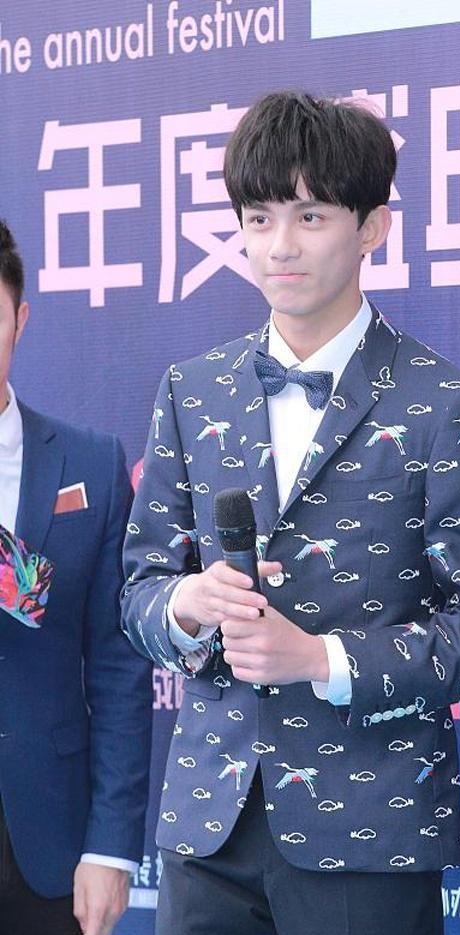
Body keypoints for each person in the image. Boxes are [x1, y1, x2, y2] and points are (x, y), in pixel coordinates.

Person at [121, 91, 460, 935]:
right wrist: (185, 604)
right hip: (207, 826)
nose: (280, 245)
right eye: (260, 217)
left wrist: (322, 657)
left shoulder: (444, 404)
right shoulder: (191, 390)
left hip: (371, 833)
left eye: (310, 216)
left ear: (372, 227)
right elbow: (139, 590)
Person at [0, 220, 153, 935]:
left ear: (20, 319)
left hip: (47, 843)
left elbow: (120, 670)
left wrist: (111, 845)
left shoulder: (90, 463)